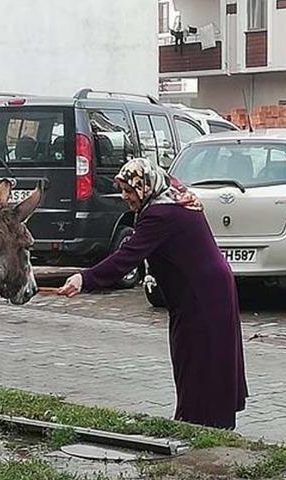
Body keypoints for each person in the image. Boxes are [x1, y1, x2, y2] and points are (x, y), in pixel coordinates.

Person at [57, 158, 248, 430]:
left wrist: (83, 279)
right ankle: (201, 420)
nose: (125, 197)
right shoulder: (170, 198)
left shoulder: (162, 214)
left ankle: (200, 424)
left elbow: (127, 257)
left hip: (201, 294)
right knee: (196, 356)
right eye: (122, 190)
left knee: (200, 360)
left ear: (145, 186)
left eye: (129, 190)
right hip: (204, 289)